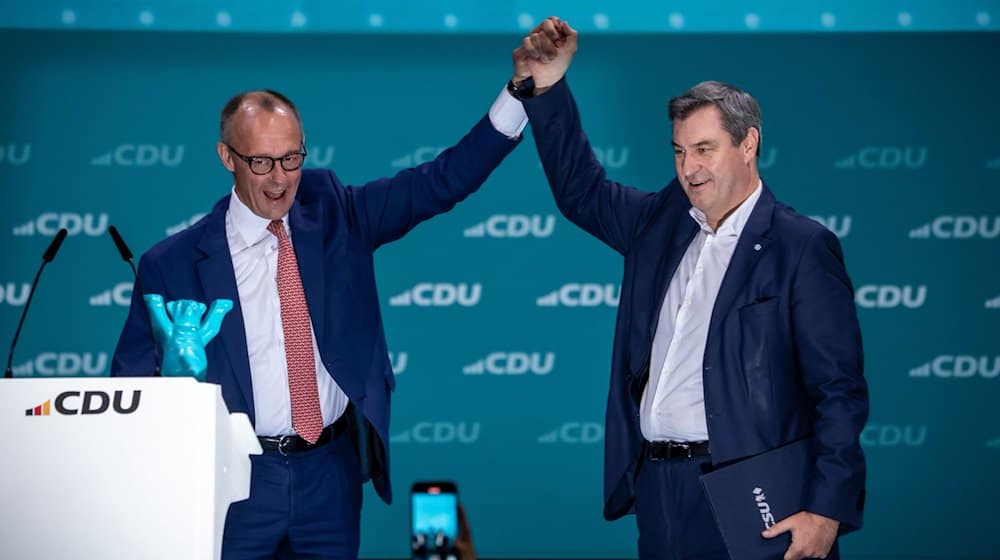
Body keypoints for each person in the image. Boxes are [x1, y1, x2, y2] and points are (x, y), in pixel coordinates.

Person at [110, 83, 528, 559]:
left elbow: (440, 182)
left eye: (291, 159)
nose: (279, 179)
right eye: (261, 162)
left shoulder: (337, 214)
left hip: (329, 475)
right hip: (233, 478)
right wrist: (173, 386)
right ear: (227, 157)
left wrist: (519, 95)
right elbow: (129, 388)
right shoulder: (173, 264)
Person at [512, 18, 869, 560]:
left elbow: (838, 392)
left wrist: (827, 510)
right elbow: (580, 190)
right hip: (660, 489)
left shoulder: (800, 247)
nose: (689, 168)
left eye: (705, 149)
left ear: (749, 144)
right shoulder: (660, 222)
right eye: (679, 152)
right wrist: (547, 87)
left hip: (756, 494)